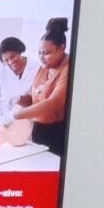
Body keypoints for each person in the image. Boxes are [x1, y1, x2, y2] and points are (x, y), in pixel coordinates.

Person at [21, 21, 71, 158]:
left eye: (46, 53)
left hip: (55, 133)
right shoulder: (44, 67)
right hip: (37, 130)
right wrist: (18, 99)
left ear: (62, 48)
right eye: (39, 53)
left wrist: (17, 115)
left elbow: (53, 103)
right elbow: (34, 99)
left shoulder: (68, 69)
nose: (41, 57)